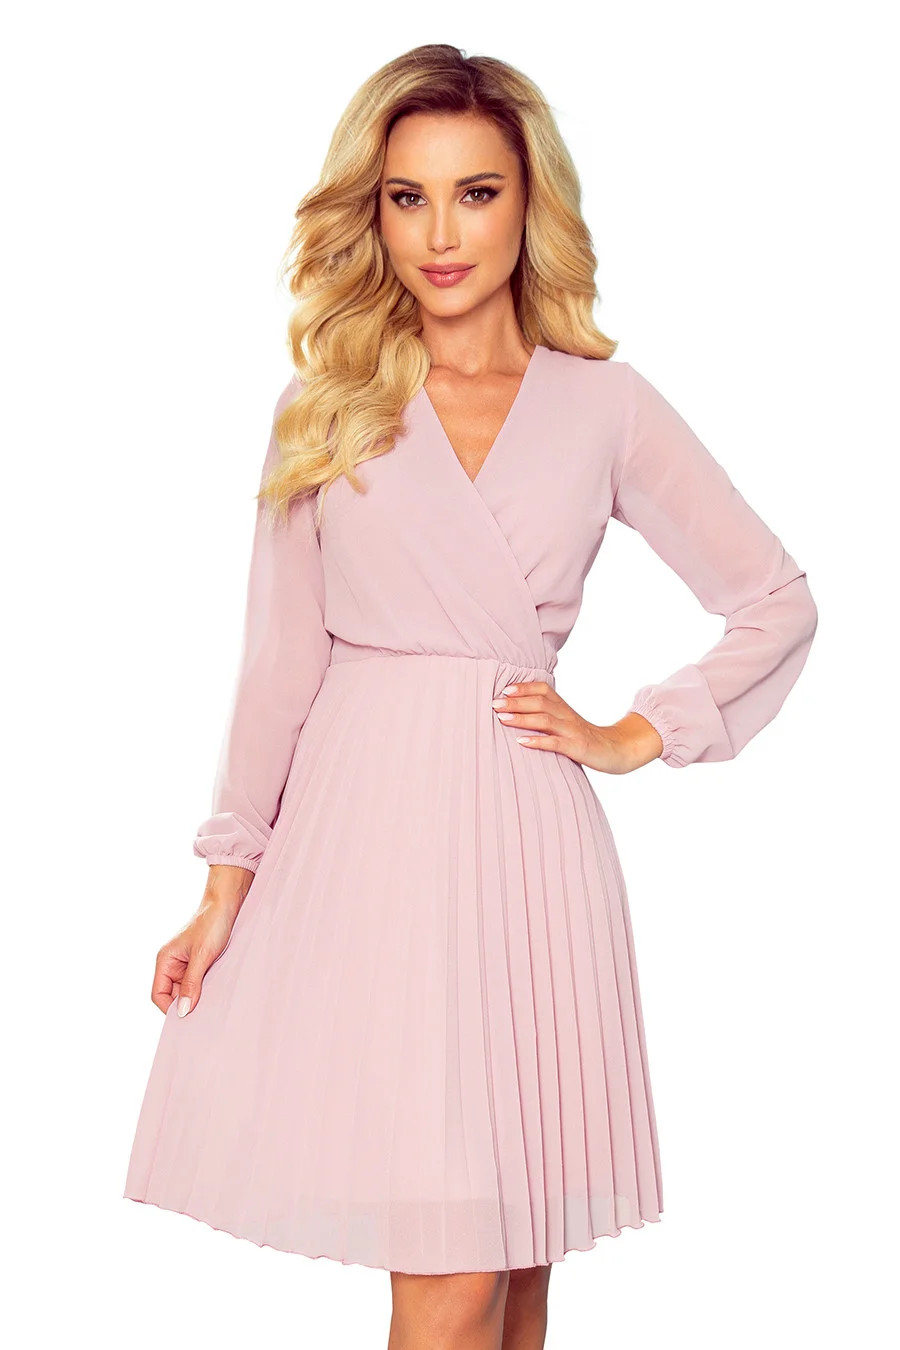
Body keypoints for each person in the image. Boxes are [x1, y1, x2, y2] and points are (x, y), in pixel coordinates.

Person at [123, 43, 818, 1350]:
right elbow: (277, 661)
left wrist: (636, 733)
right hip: (367, 853)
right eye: (408, 197)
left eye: (476, 193)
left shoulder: (606, 406)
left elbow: (774, 599)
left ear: (529, 201)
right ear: (374, 214)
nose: (441, 234)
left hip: (529, 854)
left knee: (515, 1276)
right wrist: (223, 887)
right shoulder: (326, 406)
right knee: (450, 1268)